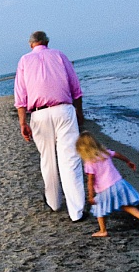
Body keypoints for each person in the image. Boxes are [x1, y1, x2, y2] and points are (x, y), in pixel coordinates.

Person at [14, 31, 86, 221]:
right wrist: (79, 112)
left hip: (39, 113)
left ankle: (54, 203)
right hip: (63, 109)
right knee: (70, 159)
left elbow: (20, 97)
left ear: (31, 45)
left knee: (47, 160)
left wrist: (22, 122)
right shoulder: (59, 55)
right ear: (47, 42)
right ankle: (76, 212)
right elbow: (76, 88)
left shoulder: (24, 61)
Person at [75, 133, 139, 239]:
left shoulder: (89, 163)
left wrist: (91, 195)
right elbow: (117, 154)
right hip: (118, 183)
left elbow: (90, 181)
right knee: (123, 204)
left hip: (105, 188)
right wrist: (128, 161)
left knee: (99, 208)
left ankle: (103, 231)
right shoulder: (104, 153)